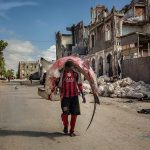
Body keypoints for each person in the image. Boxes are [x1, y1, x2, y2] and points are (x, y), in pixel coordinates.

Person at [57, 61, 86, 137]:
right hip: (65, 98)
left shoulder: (76, 74)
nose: (68, 70)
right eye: (67, 68)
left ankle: (71, 131)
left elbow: (79, 84)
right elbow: (58, 84)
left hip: (74, 97)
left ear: (72, 67)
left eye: (70, 68)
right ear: (65, 67)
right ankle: (66, 126)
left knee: (74, 114)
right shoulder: (62, 74)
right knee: (65, 113)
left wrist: (83, 95)